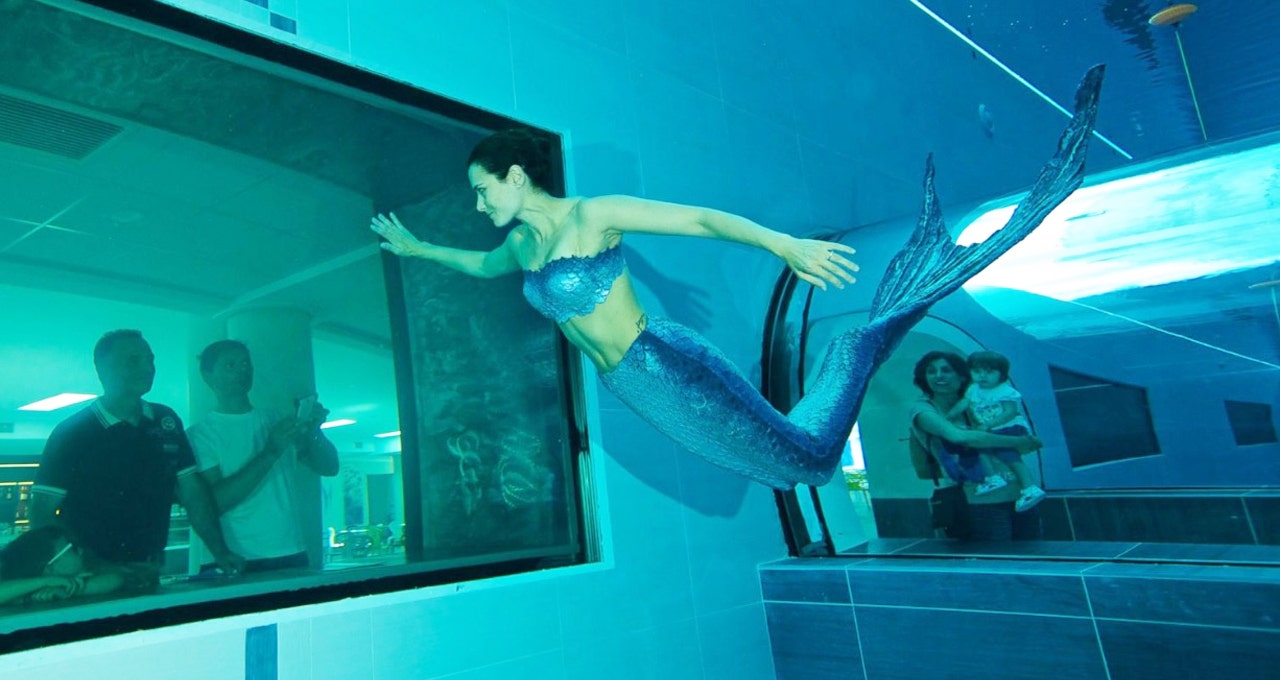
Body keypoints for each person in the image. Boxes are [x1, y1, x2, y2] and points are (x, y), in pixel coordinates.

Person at [372, 66, 1104, 491]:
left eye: (480, 189)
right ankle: (858, 346)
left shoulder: (590, 216)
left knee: (812, 458)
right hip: (630, 385)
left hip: (669, 366)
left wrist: (782, 241)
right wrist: (418, 251)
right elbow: (477, 264)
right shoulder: (526, 249)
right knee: (789, 463)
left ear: (515, 175)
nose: (477, 203)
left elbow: (698, 220)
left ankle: (860, 345)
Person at [29, 330, 243, 574]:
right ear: (102, 369)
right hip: (90, 574)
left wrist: (220, 552)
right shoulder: (72, 433)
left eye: (150, 360)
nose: (148, 367)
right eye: (134, 360)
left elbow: (192, 493)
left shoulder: (165, 421)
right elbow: (42, 511)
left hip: (149, 566)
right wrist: (89, 567)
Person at [188, 340, 339, 573]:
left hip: (290, 549)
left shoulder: (277, 420)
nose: (242, 370)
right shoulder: (200, 435)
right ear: (207, 376)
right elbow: (212, 504)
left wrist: (314, 432)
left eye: (246, 363)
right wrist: (271, 451)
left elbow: (330, 467)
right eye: (230, 365)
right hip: (233, 558)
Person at [910, 351, 1043, 540]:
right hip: (976, 500)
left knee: (1033, 557)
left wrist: (1019, 441)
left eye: (946, 370)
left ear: (962, 375)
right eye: (931, 371)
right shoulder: (923, 410)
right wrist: (1018, 441)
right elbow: (962, 437)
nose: (939, 375)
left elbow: (1026, 444)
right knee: (1000, 560)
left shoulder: (979, 401)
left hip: (1018, 494)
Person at [946, 350, 1046, 510]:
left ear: (1002, 374)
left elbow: (1010, 412)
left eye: (989, 372)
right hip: (992, 430)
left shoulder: (1005, 391)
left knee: (1009, 456)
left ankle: (1030, 487)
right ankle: (993, 478)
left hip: (1010, 428)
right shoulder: (973, 389)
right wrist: (949, 416)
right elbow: (964, 403)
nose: (982, 376)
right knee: (980, 449)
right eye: (977, 371)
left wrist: (989, 424)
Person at [0, 525, 156, 604]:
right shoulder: (21, 591)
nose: (80, 550)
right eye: (72, 548)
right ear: (50, 567)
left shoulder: (91, 572)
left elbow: (116, 578)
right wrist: (46, 582)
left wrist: (64, 589)